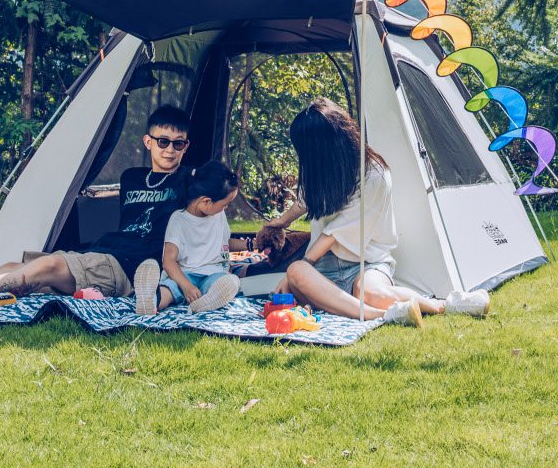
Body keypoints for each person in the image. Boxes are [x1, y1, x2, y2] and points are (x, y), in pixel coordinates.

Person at [263, 98, 491, 327]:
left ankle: (445, 304)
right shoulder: (320, 171)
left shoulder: (374, 176)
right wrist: (279, 223)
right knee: (297, 271)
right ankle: (384, 316)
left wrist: (298, 270)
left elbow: (333, 234)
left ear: (326, 148)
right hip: (324, 270)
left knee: (368, 292)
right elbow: (305, 201)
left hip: (367, 263)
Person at [0, 104, 193, 299]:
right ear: (148, 142)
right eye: (163, 141)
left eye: (178, 143)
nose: (170, 149)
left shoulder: (189, 181)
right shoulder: (131, 177)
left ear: (185, 147)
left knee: (48, 266)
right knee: (16, 265)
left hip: (129, 268)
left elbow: (219, 189)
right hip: (103, 253)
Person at [133, 161, 244, 316]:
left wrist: (250, 245)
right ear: (206, 201)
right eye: (225, 204)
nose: (226, 208)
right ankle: (151, 301)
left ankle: (205, 302)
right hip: (184, 276)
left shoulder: (218, 215)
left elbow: (223, 242)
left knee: (228, 282)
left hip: (213, 274)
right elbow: (168, 261)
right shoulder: (179, 220)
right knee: (170, 289)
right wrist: (186, 287)